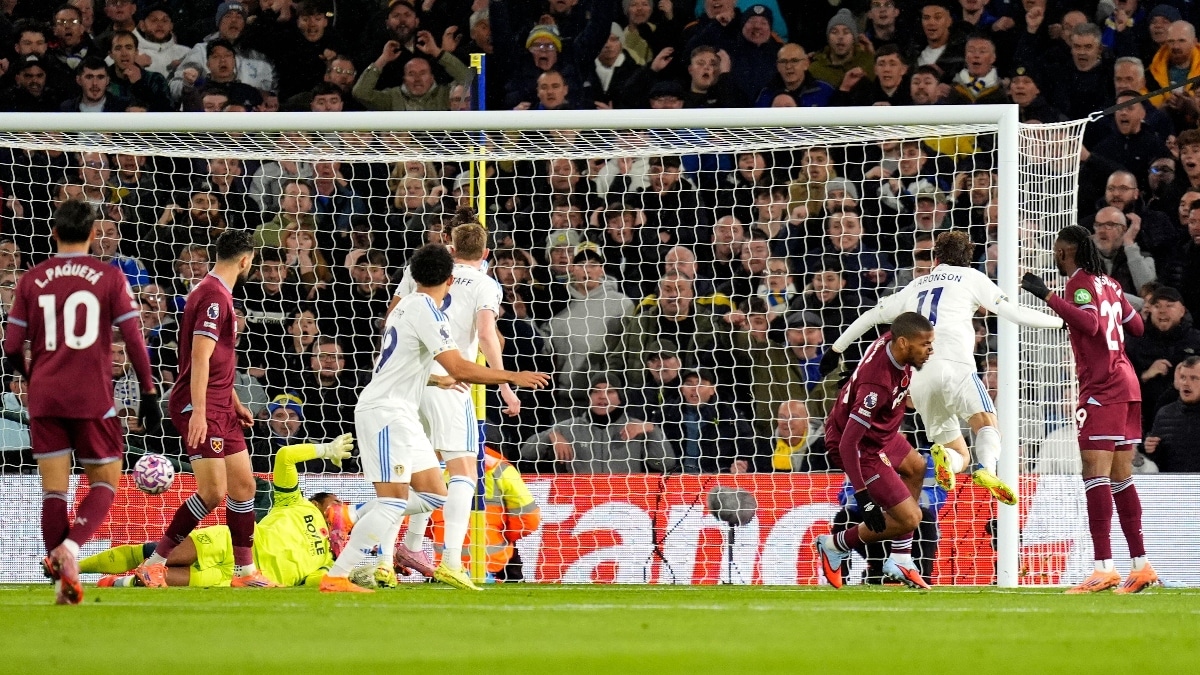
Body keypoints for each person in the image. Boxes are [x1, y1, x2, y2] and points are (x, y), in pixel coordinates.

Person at [319, 244, 549, 594]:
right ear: (450, 279)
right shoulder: (428, 310)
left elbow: (397, 364)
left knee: (433, 493)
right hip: (385, 413)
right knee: (394, 500)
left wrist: (436, 378)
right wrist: (511, 377)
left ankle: (356, 525)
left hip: (403, 412)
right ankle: (339, 571)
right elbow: (459, 365)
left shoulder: (405, 306)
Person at [821, 232, 1063, 504]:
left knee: (958, 451)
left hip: (920, 378)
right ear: (968, 261)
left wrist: (835, 350)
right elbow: (1013, 313)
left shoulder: (915, 286)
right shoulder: (972, 277)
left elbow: (870, 316)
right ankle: (988, 470)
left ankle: (947, 459)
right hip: (957, 367)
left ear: (936, 259)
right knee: (986, 422)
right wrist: (1061, 322)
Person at [2, 201, 159, 605]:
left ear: (53, 233)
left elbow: (11, 345)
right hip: (92, 396)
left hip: (45, 396)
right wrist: (148, 391)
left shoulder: (31, 279)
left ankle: (61, 586)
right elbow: (133, 338)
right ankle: (69, 551)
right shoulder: (108, 277)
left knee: (54, 492)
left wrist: (31, 374)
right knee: (105, 480)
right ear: (92, 234)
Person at [385, 208, 521, 589]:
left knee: (417, 477)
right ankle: (450, 561)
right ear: (487, 252)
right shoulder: (484, 283)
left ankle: (391, 554)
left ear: (450, 246)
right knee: (463, 475)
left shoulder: (419, 273)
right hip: (451, 384)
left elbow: (390, 320)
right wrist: (505, 384)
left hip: (411, 385)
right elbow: (487, 333)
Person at [134, 230, 277, 589]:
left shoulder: (213, 292)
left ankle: (244, 573)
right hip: (200, 406)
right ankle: (154, 563)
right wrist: (199, 411)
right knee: (213, 492)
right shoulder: (213, 297)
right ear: (245, 260)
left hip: (219, 404)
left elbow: (218, 363)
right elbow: (200, 356)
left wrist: (234, 401)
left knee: (244, 486)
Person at [1020, 225, 1158, 594]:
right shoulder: (1110, 284)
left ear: (1065, 253)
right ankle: (1141, 565)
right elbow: (1139, 326)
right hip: (1128, 384)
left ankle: (1103, 568)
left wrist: (1046, 295)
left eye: (1056, 252)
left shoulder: (1078, 282)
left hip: (1103, 388)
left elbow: (1091, 324)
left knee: (1094, 476)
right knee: (1120, 478)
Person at [80, 434, 355, 587]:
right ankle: (74, 566)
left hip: (244, 580)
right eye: (335, 502)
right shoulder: (294, 502)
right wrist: (324, 450)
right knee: (155, 555)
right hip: (232, 546)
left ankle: (114, 585)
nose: (340, 508)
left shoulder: (329, 558)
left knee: (160, 581)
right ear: (317, 502)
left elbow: (317, 582)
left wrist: (351, 569)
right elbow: (285, 457)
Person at [814, 311, 936, 590]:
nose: (930, 350)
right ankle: (834, 544)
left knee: (917, 467)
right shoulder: (876, 386)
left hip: (881, 432)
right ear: (904, 343)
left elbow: (874, 319)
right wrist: (863, 496)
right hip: (860, 446)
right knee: (911, 518)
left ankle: (900, 557)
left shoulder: (889, 341)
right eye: (925, 345)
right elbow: (848, 444)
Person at [427, 447, 541, 582]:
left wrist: (440, 531)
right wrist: (503, 535)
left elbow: (414, 519)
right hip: (495, 561)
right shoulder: (499, 467)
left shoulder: (429, 467)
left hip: (445, 562)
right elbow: (529, 519)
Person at [1144, 356, 1200, 472]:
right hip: (1173, 486)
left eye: (1194, 378)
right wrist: (1151, 451)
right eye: (1183, 377)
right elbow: (1158, 462)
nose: (1186, 383)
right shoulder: (1164, 413)